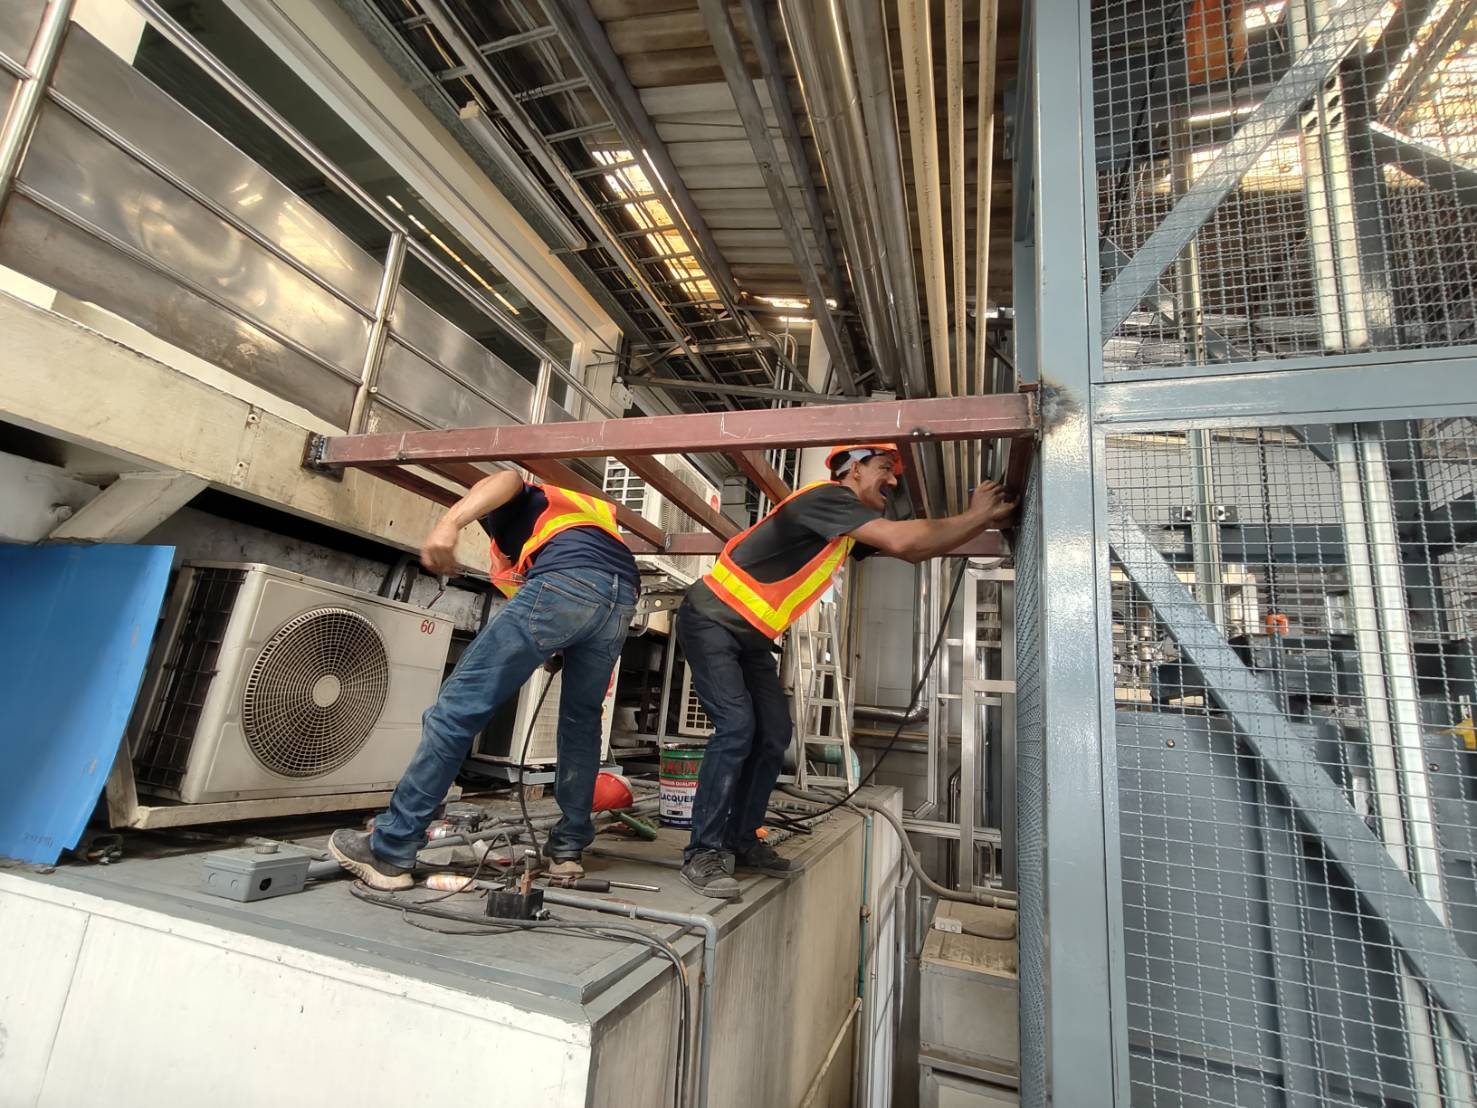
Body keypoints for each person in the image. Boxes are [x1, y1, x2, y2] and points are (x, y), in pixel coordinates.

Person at [675, 443, 1017, 898]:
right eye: (884, 469)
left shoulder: (843, 527)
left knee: (774, 733)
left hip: (749, 636)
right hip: (712, 620)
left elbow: (914, 549)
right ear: (853, 469)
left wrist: (982, 521)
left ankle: (741, 840)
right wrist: (977, 515)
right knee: (737, 727)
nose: (893, 481)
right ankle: (702, 852)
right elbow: (902, 540)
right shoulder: (826, 499)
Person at [330, 471, 640, 891]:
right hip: (621, 599)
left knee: (455, 711)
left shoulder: (525, 498)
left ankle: (391, 849)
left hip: (567, 578)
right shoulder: (573, 517)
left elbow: (508, 477)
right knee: (581, 723)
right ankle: (567, 851)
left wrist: (448, 523)